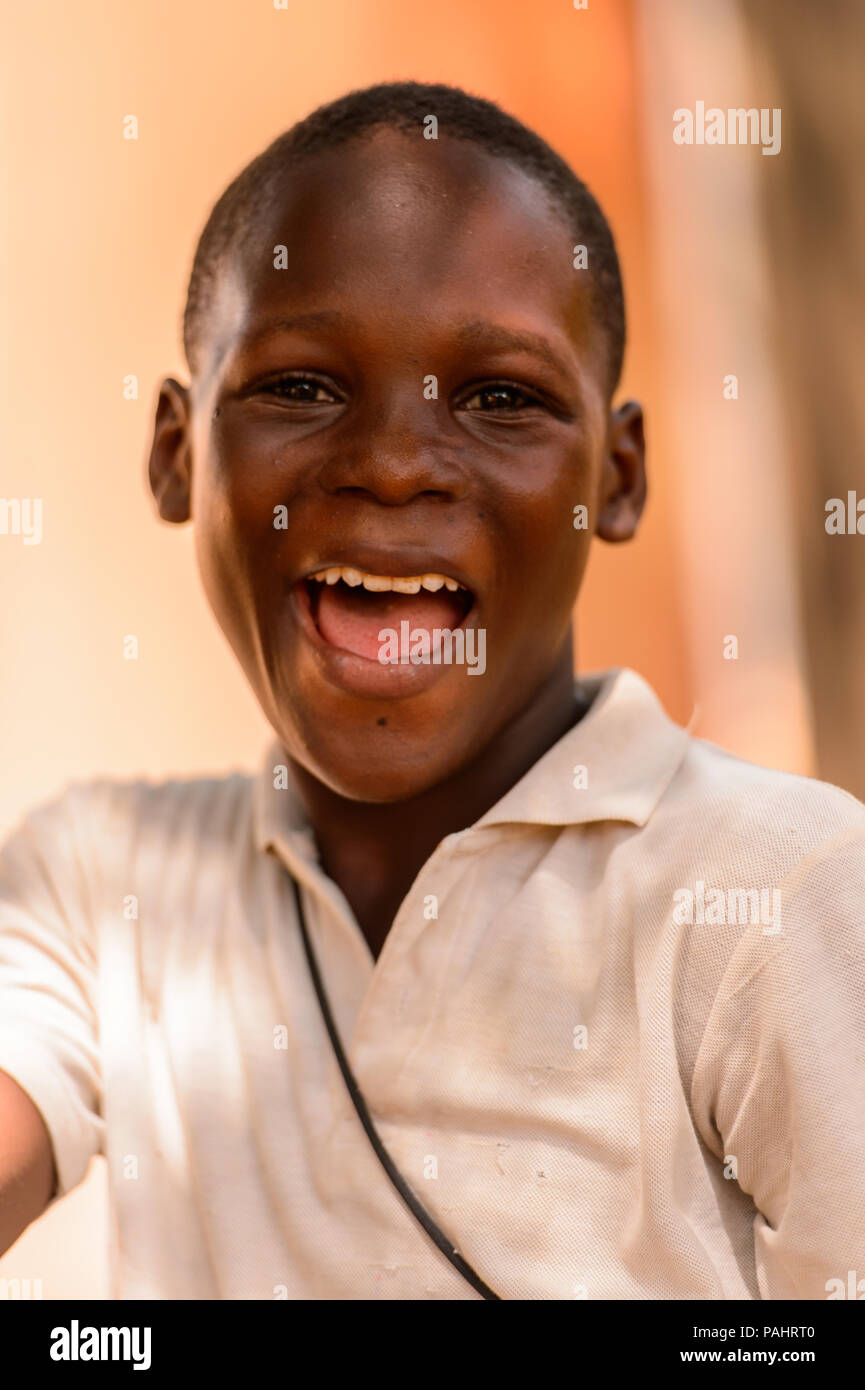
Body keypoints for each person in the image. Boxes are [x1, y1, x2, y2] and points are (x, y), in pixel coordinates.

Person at [1, 81, 863, 1300]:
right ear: (175, 456)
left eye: (500, 398)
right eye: (301, 385)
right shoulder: (104, 887)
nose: (397, 463)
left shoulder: (780, 892)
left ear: (616, 479)